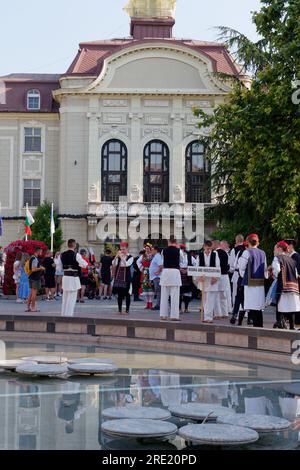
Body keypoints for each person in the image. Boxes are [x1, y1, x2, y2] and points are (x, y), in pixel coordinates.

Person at [238, 234, 268, 327]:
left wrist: (244, 276)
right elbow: (265, 268)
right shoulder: (263, 252)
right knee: (258, 305)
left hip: (250, 282)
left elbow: (241, 267)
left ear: (248, 242)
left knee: (252, 305)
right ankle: (259, 325)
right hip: (260, 282)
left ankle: (256, 327)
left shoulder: (247, 252)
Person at [272, 241, 300, 330]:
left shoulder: (278, 258)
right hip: (293, 287)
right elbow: (295, 274)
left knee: (280, 306)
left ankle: (280, 323)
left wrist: (273, 274)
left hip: (283, 286)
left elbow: (276, 271)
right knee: (291, 307)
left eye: (275, 249)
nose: (274, 251)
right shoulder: (291, 260)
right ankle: (291, 327)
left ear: (279, 248)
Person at [58, 239, 88, 317]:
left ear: (68, 245)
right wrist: (79, 264)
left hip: (65, 277)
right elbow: (84, 264)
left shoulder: (62, 254)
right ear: (74, 245)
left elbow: (58, 267)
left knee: (65, 297)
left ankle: (63, 314)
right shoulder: (76, 255)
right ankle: (68, 315)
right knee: (71, 298)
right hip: (73, 277)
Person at [159, 237, 183, 321]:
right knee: (175, 295)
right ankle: (174, 316)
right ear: (176, 242)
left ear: (169, 242)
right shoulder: (179, 251)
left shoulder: (163, 251)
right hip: (175, 272)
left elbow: (162, 261)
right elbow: (181, 261)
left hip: (165, 272)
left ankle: (163, 315)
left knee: (164, 295)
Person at [197, 240, 220, 324]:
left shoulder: (215, 254)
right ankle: (206, 316)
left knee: (210, 299)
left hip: (212, 279)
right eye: (207, 249)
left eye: (210, 249)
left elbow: (218, 266)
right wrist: (199, 276)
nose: (208, 250)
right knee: (205, 299)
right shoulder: (200, 255)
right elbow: (197, 266)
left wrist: (216, 277)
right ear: (204, 247)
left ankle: (208, 317)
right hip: (203, 280)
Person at [112, 242, 133, 315]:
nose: (122, 251)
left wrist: (121, 257)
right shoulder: (119, 256)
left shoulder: (130, 257)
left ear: (127, 248)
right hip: (119, 277)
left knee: (127, 294)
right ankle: (119, 309)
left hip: (126, 278)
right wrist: (116, 257)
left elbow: (126, 264)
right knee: (119, 294)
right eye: (121, 249)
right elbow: (114, 264)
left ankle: (127, 310)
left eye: (123, 249)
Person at [212, 240, 231, 319]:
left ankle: (218, 314)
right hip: (225, 276)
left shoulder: (215, 253)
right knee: (223, 296)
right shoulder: (226, 253)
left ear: (215, 244)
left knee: (216, 295)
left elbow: (216, 266)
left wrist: (214, 276)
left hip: (218, 276)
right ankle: (225, 313)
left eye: (212, 244)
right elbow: (229, 265)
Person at [26, 246, 45, 313]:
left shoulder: (32, 258)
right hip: (35, 278)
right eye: (41, 251)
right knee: (34, 293)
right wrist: (41, 268)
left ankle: (28, 307)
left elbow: (33, 267)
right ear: (38, 251)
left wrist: (39, 267)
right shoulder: (34, 259)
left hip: (31, 277)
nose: (41, 253)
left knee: (31, 293)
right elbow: (33, 269)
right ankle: (33, 307)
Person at [179, 244, 197, 314]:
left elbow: (196, 264)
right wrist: (180, 269)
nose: (182, 250)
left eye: (183, 249)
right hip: (179, 274)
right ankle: (179, 308)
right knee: (179, 292)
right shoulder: (177, 256)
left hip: (187, 275)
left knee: (187, 293)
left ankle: (186, 308)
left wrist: (188, 270)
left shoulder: (190, 257)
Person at [137, 243, 154, 309]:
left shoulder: (153, 255)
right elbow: (138, 261)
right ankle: (147, 303)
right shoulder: (143, 256)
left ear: (150, 249)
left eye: (148, 248)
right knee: (145, 288)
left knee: (151, 288)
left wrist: (153, 269)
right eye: (146, 248)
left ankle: (151, 303)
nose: (147, 249)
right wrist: (141, 268)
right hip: (145, 272)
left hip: (151, 272)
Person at [149, 246, 163, 311]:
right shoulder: (156, 256)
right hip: (155, 277)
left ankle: (158, 305)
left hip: (157, 277)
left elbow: (161, 265)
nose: (151, 251)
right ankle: (158, 304)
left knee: (158, 291)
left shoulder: (157, 256)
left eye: (152, 250)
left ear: (156, 250)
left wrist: (158, 272)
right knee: (157, 291)